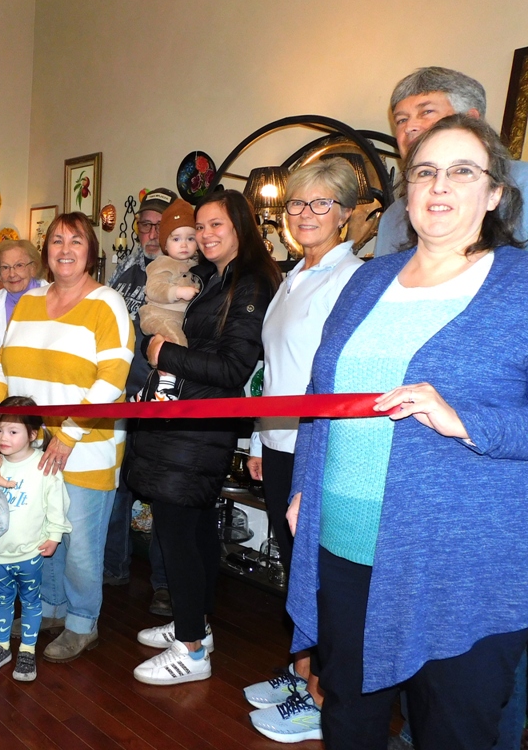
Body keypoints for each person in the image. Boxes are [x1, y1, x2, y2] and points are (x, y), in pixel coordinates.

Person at [285, 114, 528, 750]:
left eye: (462, 171)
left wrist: (467, 422)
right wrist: (305, 487)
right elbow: (321, 396)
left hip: (461, 559)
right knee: (348, 718)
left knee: (452, 729)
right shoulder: (367, 279)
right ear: (408, 191)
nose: (439, 185)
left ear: (495, 193)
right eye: (425, 171)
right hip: (345, 541)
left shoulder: (521, 286)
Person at [373, 67, 528, 750]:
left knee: (477, 692)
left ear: (494, 189)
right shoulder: (384, 253)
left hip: (488, 522)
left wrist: (469, 421)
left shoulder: (515, 270)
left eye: (427, 115)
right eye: (402, 122)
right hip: (397, 515)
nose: (411, 131)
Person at [127, 190, 280, 686]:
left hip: (199, 424)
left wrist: (163, 354)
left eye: (218, 225)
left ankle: (191, 650)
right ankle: (195, 626)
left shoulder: (250, 282)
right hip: (189, 421)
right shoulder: (218, 277)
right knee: (192, 529)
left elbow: (234, 367)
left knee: (177, 531)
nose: (207, 234)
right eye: (201, 226)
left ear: (240, 227)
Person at [0, 211, 134, 663]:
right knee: (44, 533)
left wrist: (69, 433)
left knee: (80, 544)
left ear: (91, 253)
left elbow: (113, 378)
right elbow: (2, 367)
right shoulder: (27, 301)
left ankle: (82, 623)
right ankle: (50, 609)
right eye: (57, 241)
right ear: (46, 252)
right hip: (36, 449)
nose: (65, 249)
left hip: (88, 448)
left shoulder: (107, 303)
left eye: (76, 241)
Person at [242, 159, 363, 743]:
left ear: (345, 214)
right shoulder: (294, 275)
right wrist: (258, 437)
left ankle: (321, 697)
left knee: (318, 577)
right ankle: (301, 673)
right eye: (296, 203)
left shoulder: (350, 279)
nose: (305, 214)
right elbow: (274, 371)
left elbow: (338, 377)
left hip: (316, 446)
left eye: (320, 203)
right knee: (296, 571)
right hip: (278, 441)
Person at [103, 187, 178, 615]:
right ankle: (113, 566)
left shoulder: (184, 276)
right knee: (117, 488)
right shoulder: (124, 274)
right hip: (120, 398)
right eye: (145, 225)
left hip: (162, 402)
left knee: (162, 497)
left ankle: (164, 584)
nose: (151, 233)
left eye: (159, 226)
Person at [0, 397, 71, 683]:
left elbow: (57, 504)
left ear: (33, 434)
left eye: (13, 431)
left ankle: (27, 649)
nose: (3, 437)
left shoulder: (42, 466)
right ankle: (1, 646)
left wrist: (55, 535)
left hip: (29, 553)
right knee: (2, 598)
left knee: (31, 601)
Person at [375, 67, 528, 257]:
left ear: (471, 120)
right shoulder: (393, 216)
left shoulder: (524, 183)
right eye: (401, 120)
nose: (409, 127)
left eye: (426, 112)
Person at [138, 198, 201, 400]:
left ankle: (146, 391)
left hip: (176, 318)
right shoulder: (162, 263)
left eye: (190, 238)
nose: (184, 244)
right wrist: (178, 292)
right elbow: (153, 289)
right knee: (177, 345)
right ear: (165, 243)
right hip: (158, 316)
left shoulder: (195, 266)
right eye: (176, 239)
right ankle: (165, 389)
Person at [0, 239, 47, 398]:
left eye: (19, 265)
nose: (12, 274)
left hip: (43, 400)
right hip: (0, 400)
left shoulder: (53, 299)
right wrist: (3, 395)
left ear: (33, 268)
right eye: (5, 267)